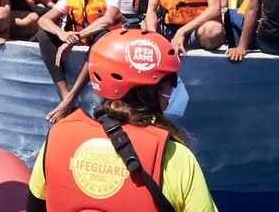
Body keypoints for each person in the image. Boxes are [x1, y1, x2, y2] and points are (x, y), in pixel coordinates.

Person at [27, 29, 216, 212]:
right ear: (149, 92)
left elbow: (35, 206)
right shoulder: (176, 157)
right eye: (172, 81)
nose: (175, 88)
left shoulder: (57, 138)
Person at [37, 0, 129, 123]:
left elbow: (108, 20)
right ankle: (65, 96)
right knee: (44, 34)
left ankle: (72, 97)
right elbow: (44, 20)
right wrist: (61, 34)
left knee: (102, 36)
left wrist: (76, 37)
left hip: (107, 46)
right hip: (83, 44)